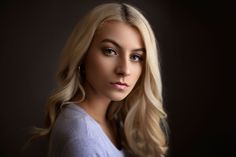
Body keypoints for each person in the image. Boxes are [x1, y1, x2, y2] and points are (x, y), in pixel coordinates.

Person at [31, 2, 168, 157]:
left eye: (135, 57)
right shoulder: (83, 140)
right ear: (82, 54)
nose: (124, 70)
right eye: (110, 51)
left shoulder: (115, 120)